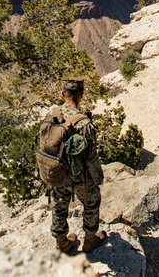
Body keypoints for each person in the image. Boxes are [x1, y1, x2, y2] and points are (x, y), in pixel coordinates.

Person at [49, 78, 106, 254]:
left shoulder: (52, 115)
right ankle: (90, 239)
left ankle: (61, 242)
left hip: (58, 173)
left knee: (59, 205)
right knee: (92, 201)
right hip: (79, 176)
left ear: (62, 94)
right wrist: (98, 178)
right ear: (81, 95)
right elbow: (91, 158)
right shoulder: (83, 124)